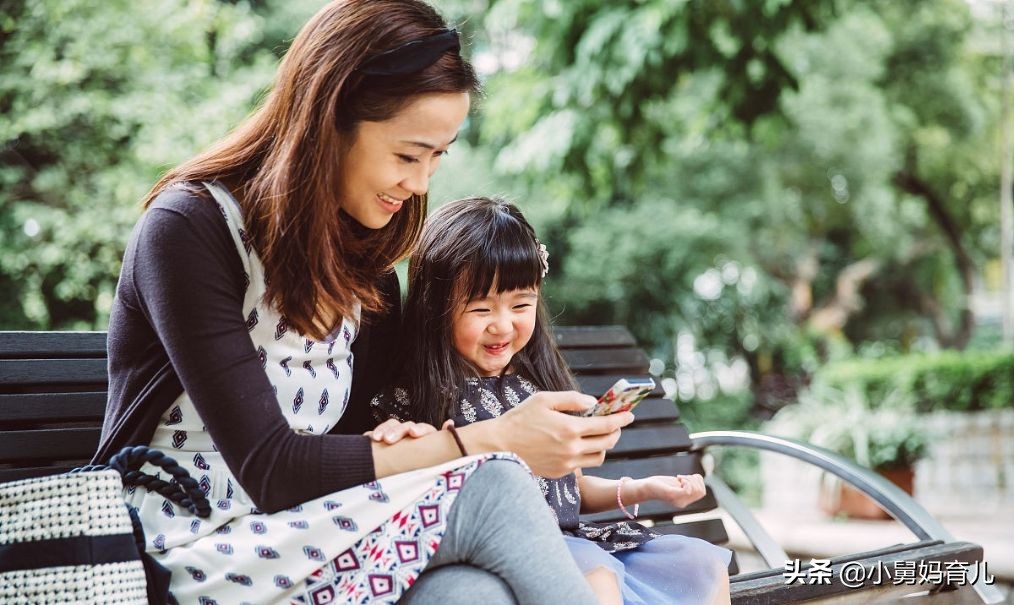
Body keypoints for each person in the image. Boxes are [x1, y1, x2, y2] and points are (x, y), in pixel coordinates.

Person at [93, 2, 635, 603]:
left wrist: (395, 437)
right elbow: (271, 469)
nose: (422, 183)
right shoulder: (190, 229)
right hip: (186, 547)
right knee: (495, 485)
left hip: (309, 535)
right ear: (331, 120)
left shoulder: (368, 276)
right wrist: (492, 438)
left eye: (437, 157)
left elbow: (345, 443)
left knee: (466, 594)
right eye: (408, 155)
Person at [371, 197, 733, 605]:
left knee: (700, 564)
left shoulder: (536, 388)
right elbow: (398, 478)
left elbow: (571, 488)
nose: (503, 325)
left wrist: (644, 488)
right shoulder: (415, 399)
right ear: (434, 308)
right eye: (480, 308)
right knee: (597, 580)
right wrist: (399, 440)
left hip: (577, 540)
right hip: (512, 556)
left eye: (521, 305)